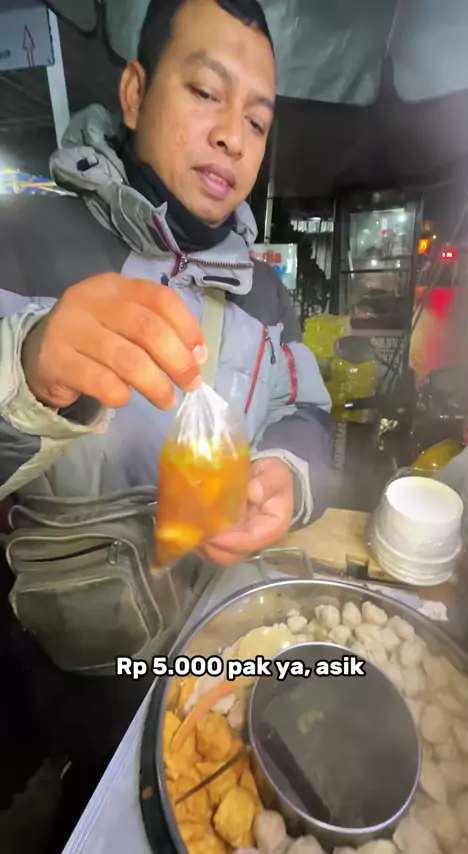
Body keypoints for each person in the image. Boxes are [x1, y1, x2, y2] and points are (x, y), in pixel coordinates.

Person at [0, 0, 333, 836]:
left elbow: (306, 412)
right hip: (50, 655)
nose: (232, 137)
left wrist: (286, 476)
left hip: (202, 639)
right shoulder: (25, 238)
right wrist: (29, 371)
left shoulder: (267, 295)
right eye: (206, 93)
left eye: (256, 121)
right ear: (135, 91)